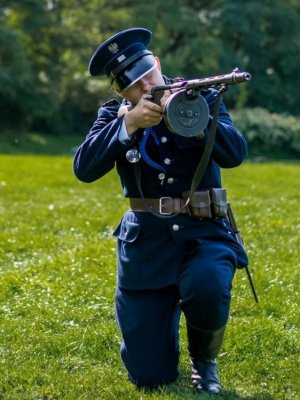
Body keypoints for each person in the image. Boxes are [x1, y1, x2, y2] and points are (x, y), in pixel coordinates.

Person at [73, 27, 249, 394]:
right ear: (121, 92)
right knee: (149, 377)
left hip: (203, 232)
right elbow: (83, 168)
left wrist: (194, 120)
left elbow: (235, 154)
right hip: (147, 246)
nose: (144, 88)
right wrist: (129, 123)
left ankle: (204, 361)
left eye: (148, 75)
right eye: (133, 86)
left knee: (207, 284)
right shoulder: (114, 115)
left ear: (159, 64)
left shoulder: (202, 98)